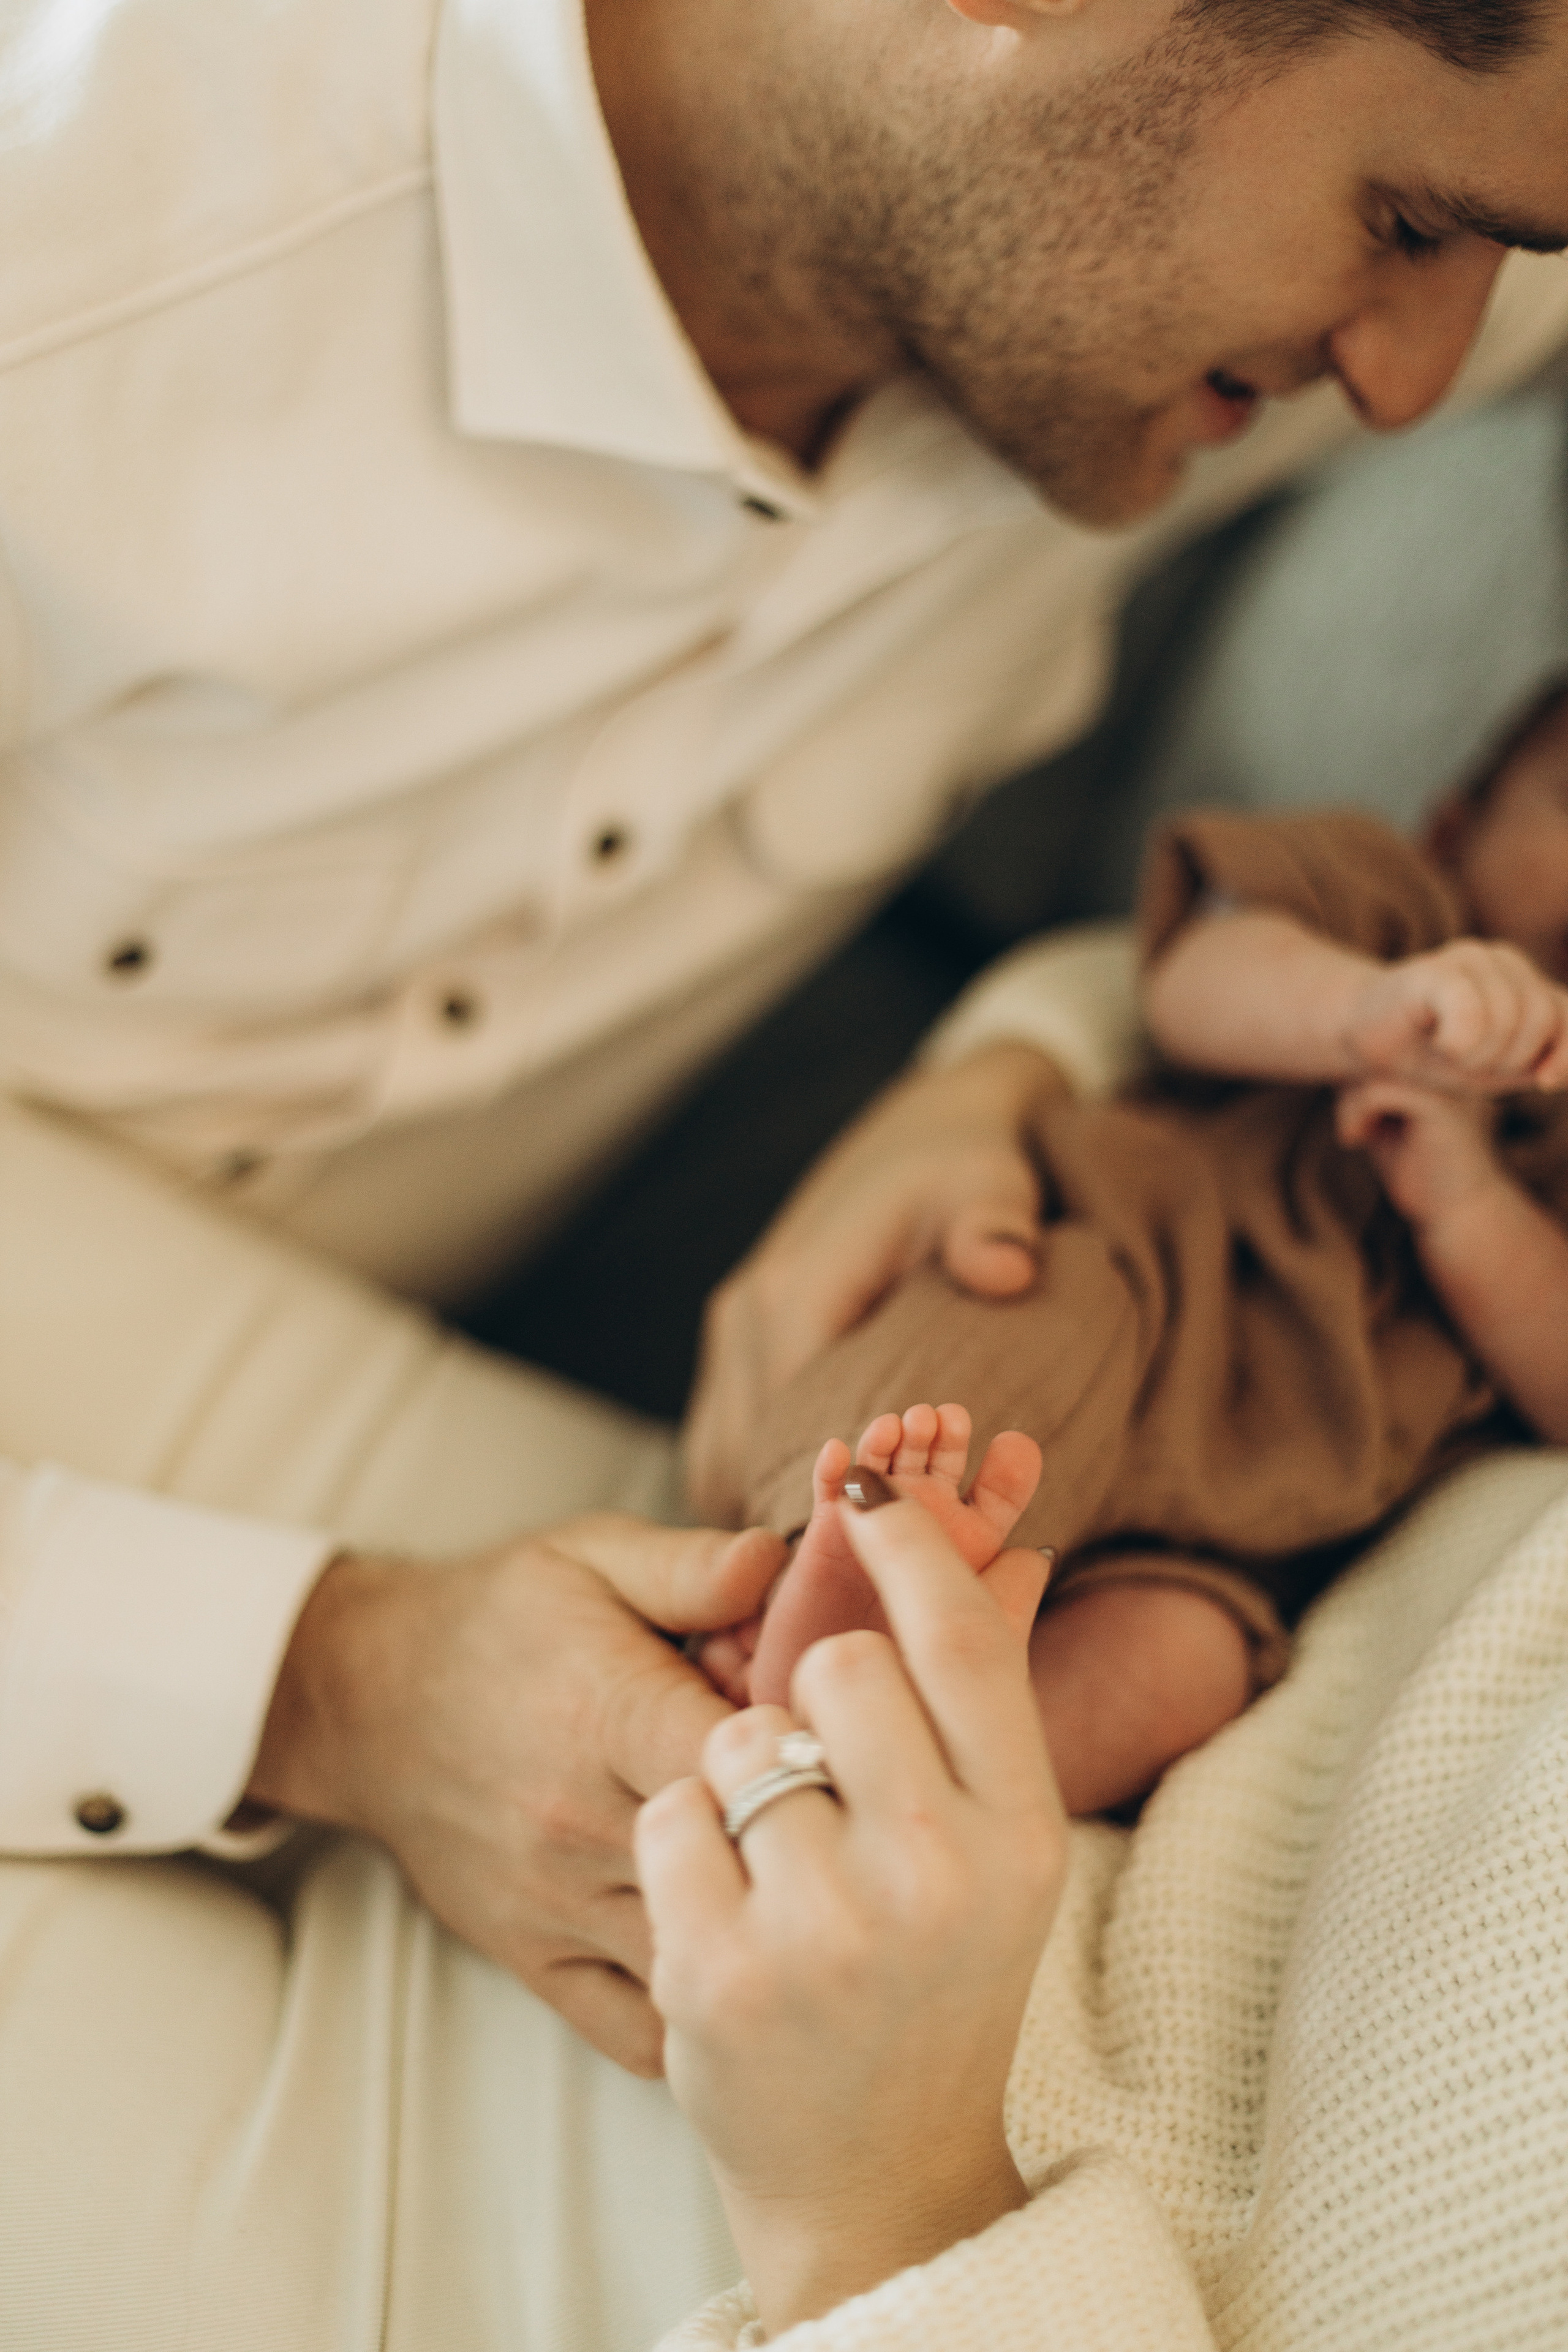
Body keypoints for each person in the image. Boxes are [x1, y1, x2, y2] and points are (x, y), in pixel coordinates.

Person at [6, 0, 1568, 2340]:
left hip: (568, 1394)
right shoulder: (84, 272)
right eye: (1416, 221)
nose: (1434, 372)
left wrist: (1004, 1068)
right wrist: (329, 1681)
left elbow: (1267, 960)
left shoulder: (1160, 239)